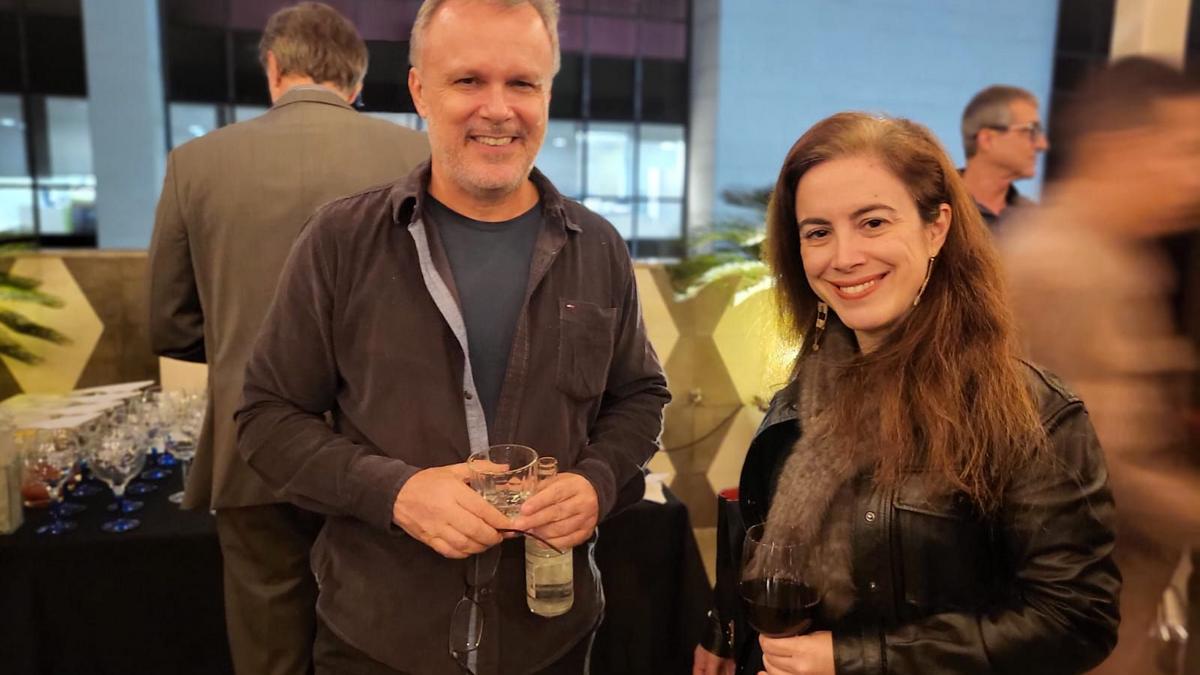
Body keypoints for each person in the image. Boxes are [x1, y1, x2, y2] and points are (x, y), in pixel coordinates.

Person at [234, 1, 670, 673]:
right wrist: (396, 493)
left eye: (522, 83)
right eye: (468, 80)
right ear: (419, 91)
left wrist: (599, 480)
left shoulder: (599, 247)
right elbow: (266, 419)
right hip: (380, 641)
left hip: (550, 640)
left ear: (547, 95)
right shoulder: (340, 242)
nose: (498, 109)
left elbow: (639, 397)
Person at [693, 112, 1120, 675]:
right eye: (818, 232)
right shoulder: (807, 390)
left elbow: (1076, 619)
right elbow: (766, 540)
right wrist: (727, 628)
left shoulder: (1028, 411)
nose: (844, 256)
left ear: (936, 228)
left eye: (872, 223)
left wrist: (854, 660)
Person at [146, 3, 428, 674]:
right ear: (357, 80)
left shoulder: (196, 163)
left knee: (269, 650)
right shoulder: (419, 157)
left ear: (273, 68)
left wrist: (248, 356)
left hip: (251, 451)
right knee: (384, 643)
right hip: (388, 452)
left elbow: (169, 323)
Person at [999, 57, 1200, 674]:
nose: (1194, 176)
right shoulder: (1069, 269)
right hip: (1071, 630)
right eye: (1185, 150)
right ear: (1121, 147)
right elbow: (1097, 467)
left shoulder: (1119, 259)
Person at [959, 85, 1048, 229]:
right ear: (987, 139)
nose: (1042, 145)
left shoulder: (1037, 223)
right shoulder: (933, 207)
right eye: (1030, 131)